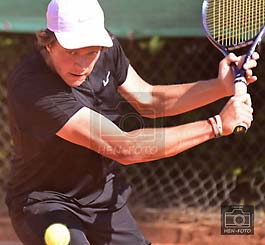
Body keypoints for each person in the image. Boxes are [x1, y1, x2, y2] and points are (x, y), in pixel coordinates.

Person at [6, 0, 259, 244]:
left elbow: (149, 100)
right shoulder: (33, 87)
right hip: (45, 201)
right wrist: (215, 125)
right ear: (48, 43)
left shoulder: (106, 49)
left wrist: (219, 87)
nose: (82, 64)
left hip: (100, 196)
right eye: (72, 51)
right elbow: (123, 148)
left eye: (91, 52)